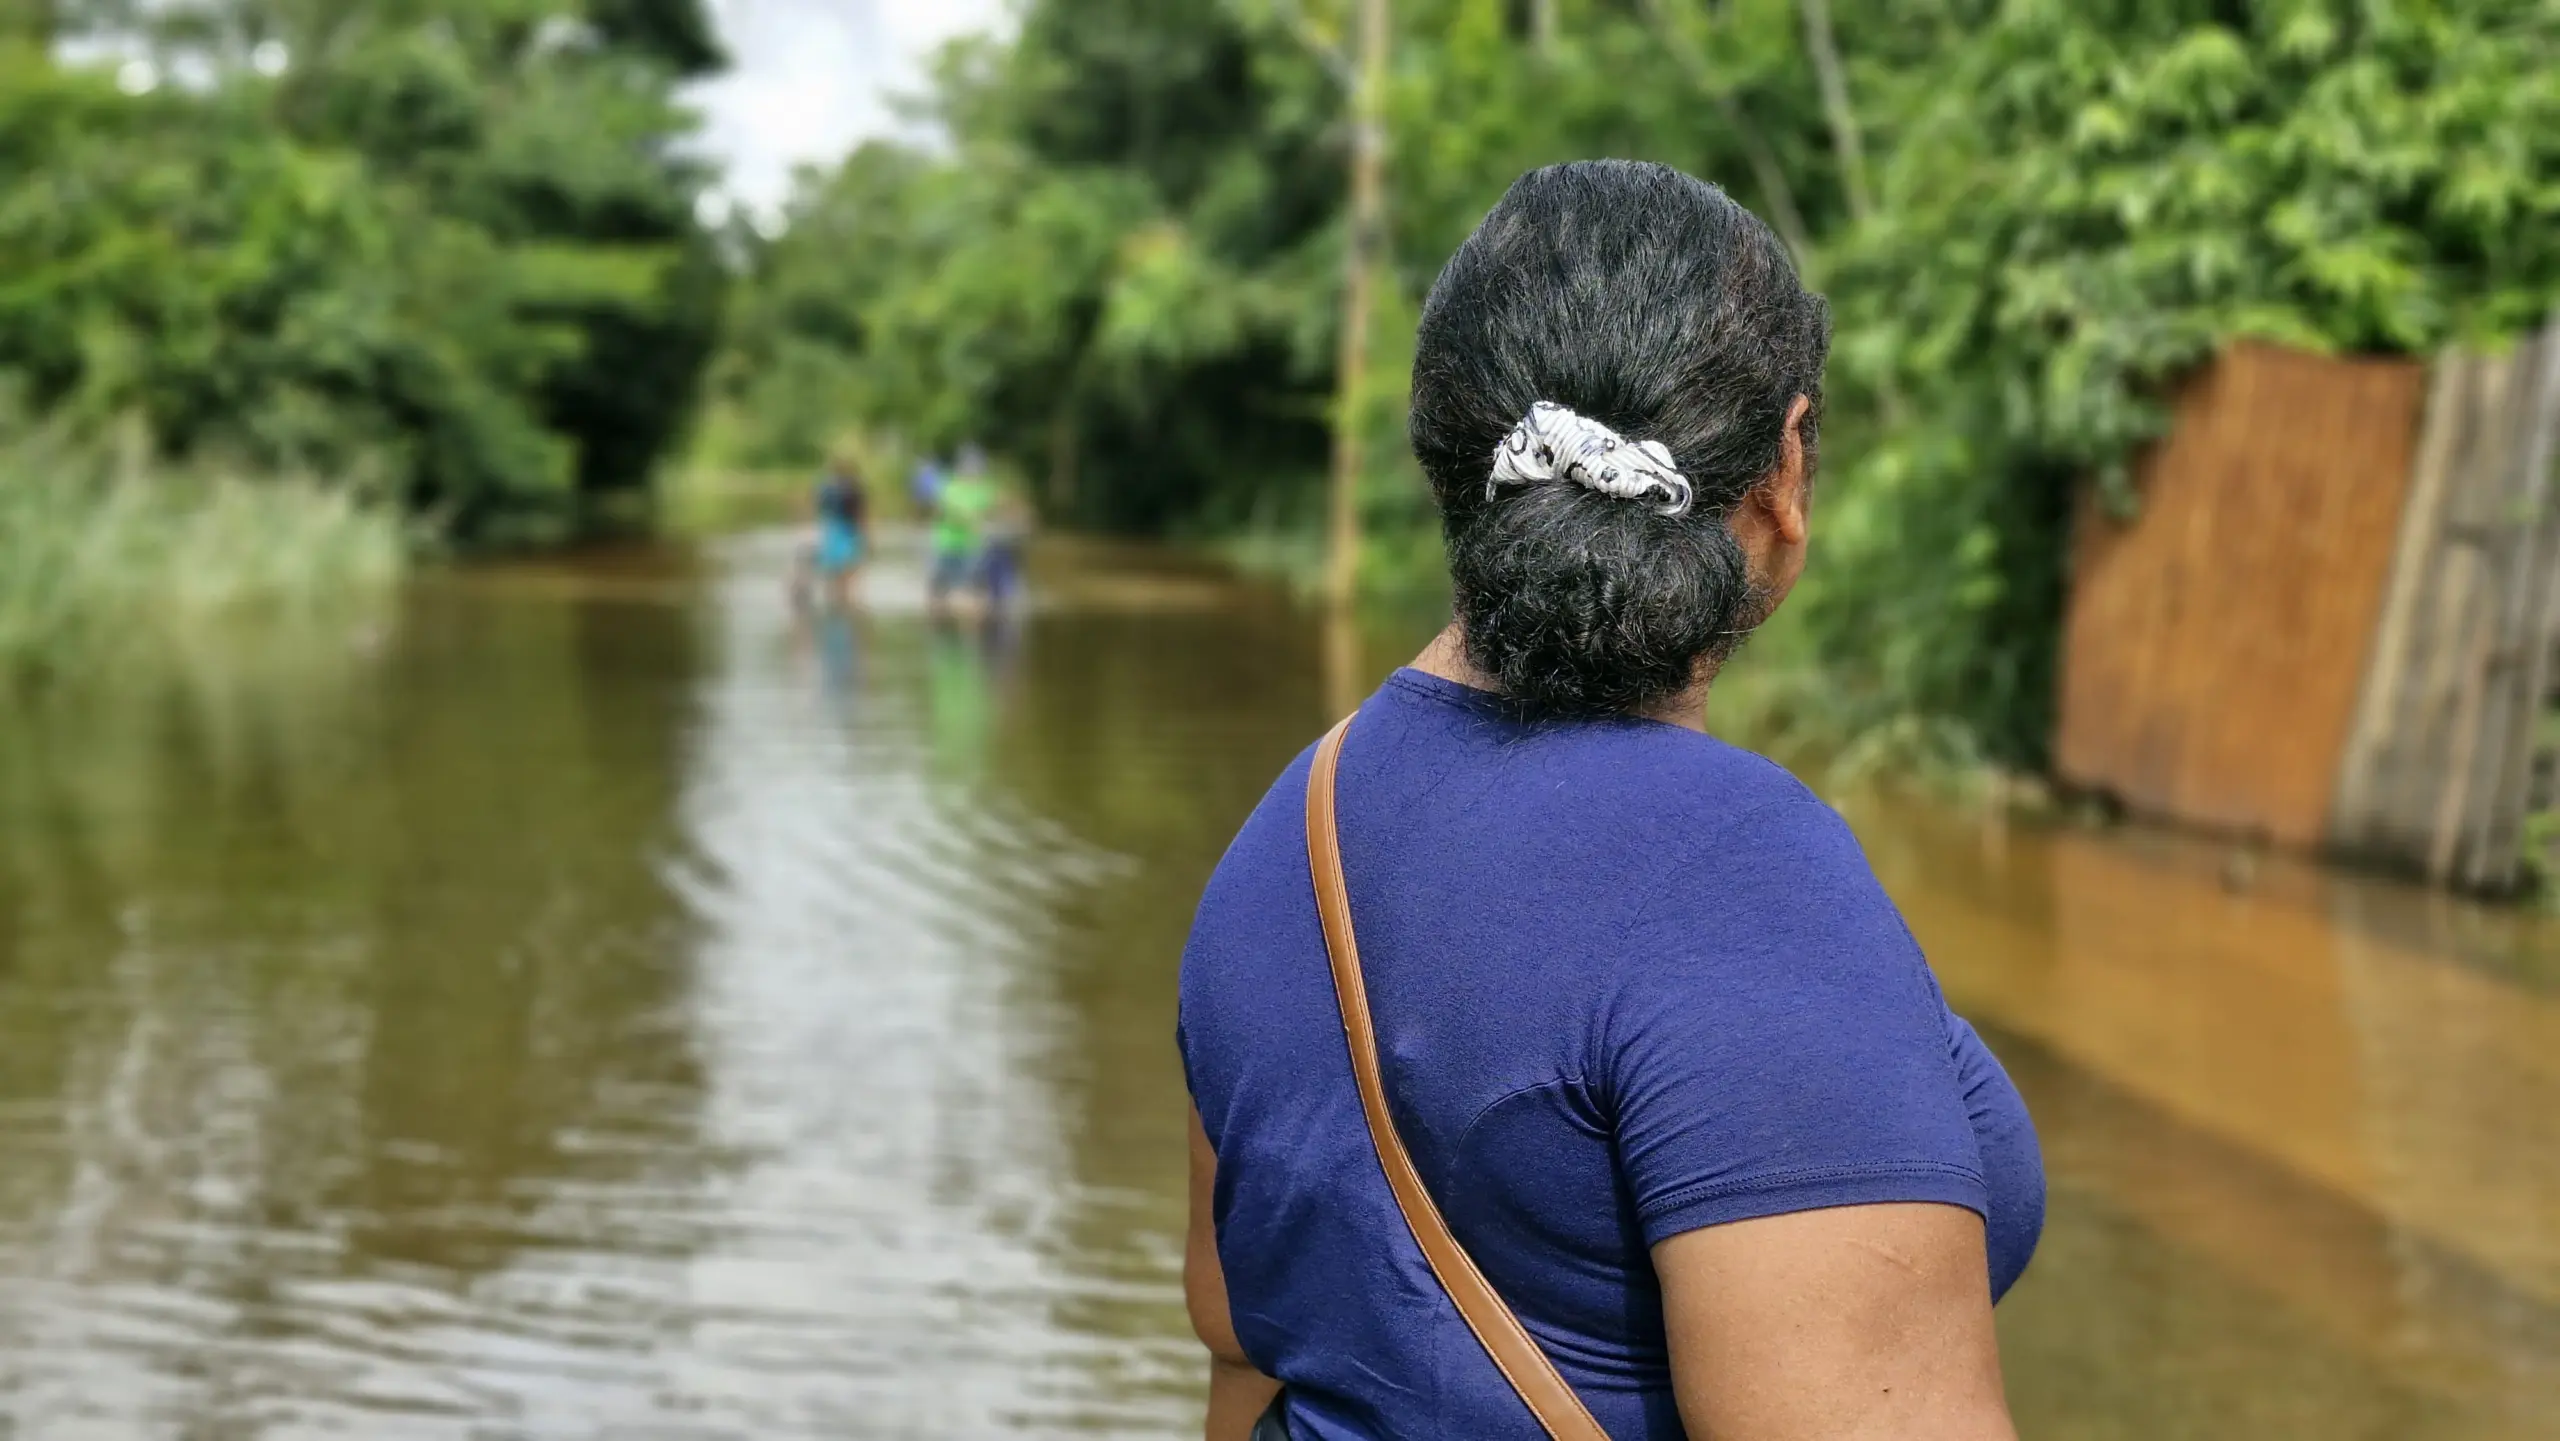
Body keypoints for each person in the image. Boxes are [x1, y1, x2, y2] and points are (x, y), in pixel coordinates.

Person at [1178, 161, 2043, 1440]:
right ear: (1787, 468)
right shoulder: (1733, 872)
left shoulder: (1280, 838)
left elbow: (1241, 1367)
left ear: (1444, 458)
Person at [926, 457, 996, 617]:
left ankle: (975, 614)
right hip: (947, 543)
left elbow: (988, 512)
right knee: (939, 584)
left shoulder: (982, 492)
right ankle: (937, 614)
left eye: (975, 471)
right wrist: (965, 518)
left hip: (970, 545)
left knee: (975, 582)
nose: (972, 475)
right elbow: (943, 510)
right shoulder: (949, 489)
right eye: (968, 471)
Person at [801, 457, 868, 608]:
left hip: (831, 530)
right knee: (849, 572)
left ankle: (833, 603)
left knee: (831, 571)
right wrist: (866, 536)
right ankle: (845, 604)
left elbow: (817, 510)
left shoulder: (825, 488)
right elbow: (860, 515)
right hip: (848, 531)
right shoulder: (855, 489)